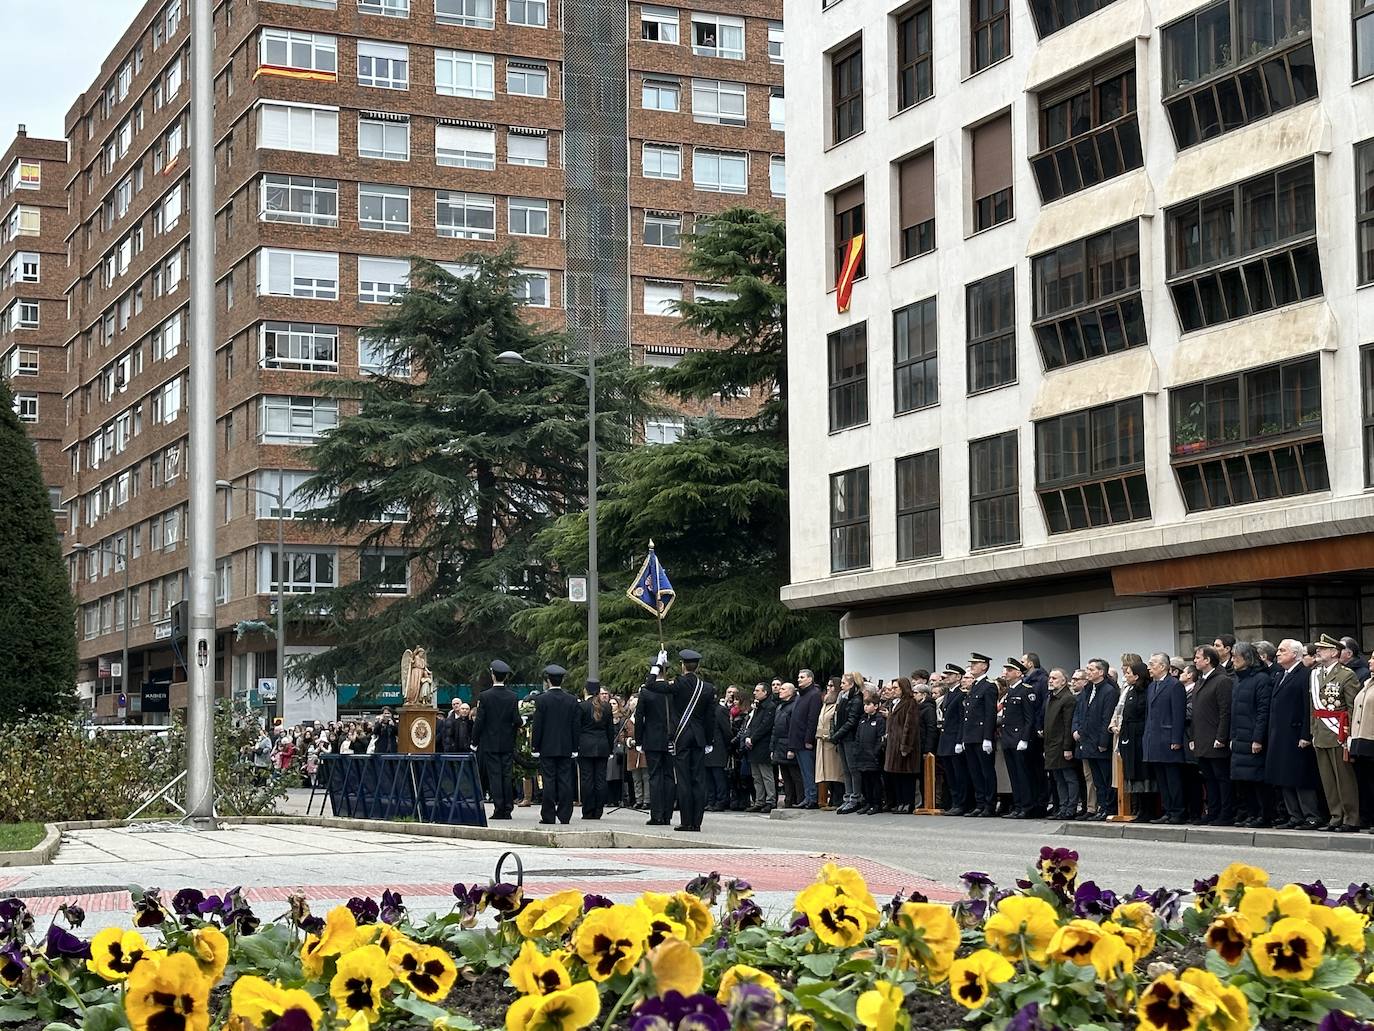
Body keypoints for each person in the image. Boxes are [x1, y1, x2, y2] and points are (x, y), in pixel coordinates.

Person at [643, 648, 716, 832]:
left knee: (683, 780)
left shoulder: (677, 684)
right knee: (698, 780)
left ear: (683, 666)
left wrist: (658, 664)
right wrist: (709, 741)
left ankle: (686, 821)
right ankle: (696, 822)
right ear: (697, 667)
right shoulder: (707, 688)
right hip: (699, 738)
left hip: (682, 736)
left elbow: (650, 685)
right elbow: (710, 718)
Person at [1265, 639, 1324, 830]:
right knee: (1284, 776)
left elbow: (1309, 706)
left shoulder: (1305, 674)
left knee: (1301, 777)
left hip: (1296, 734)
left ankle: (1311, 815)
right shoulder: (1282, 674)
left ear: (1294, 654)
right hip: (1280, 734)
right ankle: (1294, 815)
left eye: (1282, 650)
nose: (1278, 653)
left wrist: (1306, 734)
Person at [1311, 633, 1361, 832]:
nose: (1318, 652)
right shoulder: (1315, 674)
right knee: (1328, 779)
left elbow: (1352, 707)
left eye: (1322, 649)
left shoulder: (1346, 675)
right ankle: (1335, 816)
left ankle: (1351, 818)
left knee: (1344, 779)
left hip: (1339, 733)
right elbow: (1313, 708)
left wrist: (1349, 736)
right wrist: (1312, 732)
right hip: (1321, 732)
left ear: (1334, 652)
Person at [1228, 642, 1273, 827]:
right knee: (1243, 781)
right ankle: (1251, 813)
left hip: (1253, 738)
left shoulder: (1261, 679)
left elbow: (1263, 712)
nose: (1232, 661)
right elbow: (1234, 712)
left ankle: (1263, 815)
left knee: (1257, 781)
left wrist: (1257, 738)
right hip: (1239, 737)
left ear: (1247, 659)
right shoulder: (1238, 680)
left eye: (1235, 657)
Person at [1189, 645, 1234, 826]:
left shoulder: (1222, 680)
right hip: (1201, 739)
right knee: (1209, 779)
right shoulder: (1200, 681)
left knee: (1222, 778)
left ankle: (1226, 813)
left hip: (1215, 739)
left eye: (1198, 657)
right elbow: (1195, 714)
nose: (1195, 661)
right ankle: (1212, 811)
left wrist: (1221, 737)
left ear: (1208, 660)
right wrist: (1193, 737)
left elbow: (1225, 712)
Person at [472, 659, 522, 820]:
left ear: (492, 675)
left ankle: (499, 808)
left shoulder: (485, 696)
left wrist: (474, 741)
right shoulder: (512, 696)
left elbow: (480, 721)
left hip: (490, 742)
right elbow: (516, 719)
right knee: (506, 775)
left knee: (495, 776)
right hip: (507, 742)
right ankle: (508, 807)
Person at [531, 665, 580, 825]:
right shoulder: (571, 700)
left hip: (547, 746)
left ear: (548, 680)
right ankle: (565, 815)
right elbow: (575, 725)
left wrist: (535, 746)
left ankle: (548, 815)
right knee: (565, 780)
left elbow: (538, 725)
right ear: (562, 680)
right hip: (566, 746)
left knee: (549, 781)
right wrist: (575, 747)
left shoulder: (542, 700)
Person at [1142, 652, 1187, 824]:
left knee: (1173, 778)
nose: (1149, 667)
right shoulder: (1152, 686)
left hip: (1168, 739)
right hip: (1154, 739)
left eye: (1152, 664)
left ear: (1163, 666)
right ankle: (1168, 810)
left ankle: (1178, 811)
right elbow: (1149, 715)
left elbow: (1178, 715)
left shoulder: (1174, 685)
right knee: (1161, 779)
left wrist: (1176, 739)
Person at [1073, 658, 1119, 821]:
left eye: (1092, 669)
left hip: (1099, 742)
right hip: (1087, 740)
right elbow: (1082, 713)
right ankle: (1102, 807)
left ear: (1101, 672)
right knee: (1096, 779)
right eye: (1088, 669)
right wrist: (1078, 731)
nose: (1088, 672)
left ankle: (1109, 808)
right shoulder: (1088, 689)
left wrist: (1103, 742)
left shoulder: (1108, 691)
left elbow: (1106, 717)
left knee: (1106, 778)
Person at [999, 658, 1039, 819]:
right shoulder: (1010, 691)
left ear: (1018, 673)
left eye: (1009, 670)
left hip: (1019, 739)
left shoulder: (1025, 690)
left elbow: (1029, 718)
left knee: (1023, 775)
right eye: (1005, 670)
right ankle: (1018, 805)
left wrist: (1024, 739)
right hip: (1008, 738)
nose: (1006, 673)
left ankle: (1027, 806)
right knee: (1014, 775)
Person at [961, 653, 999, 817]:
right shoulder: (975, 686)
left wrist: (987, 738)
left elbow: (989, 714)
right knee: (975, 772)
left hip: (981, 736)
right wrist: (964, 737)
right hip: (970, 736)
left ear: (984, 666)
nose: (972, 666)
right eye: (971, 663)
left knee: (986, 772)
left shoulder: (989, 686)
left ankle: (989, 805)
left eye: (975, 663)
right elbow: (968, 715)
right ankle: (980, 803)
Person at [636, 672, 674, 826]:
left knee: (655, 777)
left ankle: (657, 814)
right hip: (671, 737)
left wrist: (639, 740)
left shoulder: (646, 691)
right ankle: (667, 815)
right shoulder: (672, 690)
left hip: (652, 739)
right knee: (669, 777)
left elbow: (639, 717)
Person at [1117, 661, 1151, 817]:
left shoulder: (1146, 691)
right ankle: (1137, 807)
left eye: (1129, 673)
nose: (1126, 676)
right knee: (1132, 772)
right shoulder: (1130, 691)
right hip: (1128, 736)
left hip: (1140, 735)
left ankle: (1146, 809)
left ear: (1137, 676)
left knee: (1143, 772)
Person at [1043, 668, 1078, 820]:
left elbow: (1067, 724)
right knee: (1058, 778)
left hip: (1061, 745)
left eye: (1055, 678)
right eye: (1050, 678)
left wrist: (1067, 747)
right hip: (1051, 745)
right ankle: (1062, 807)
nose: (1051, 680)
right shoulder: (1052, 697)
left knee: (1069, 777)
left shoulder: (1067, 698)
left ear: (1064, 681)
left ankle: (1070, 808)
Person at [577, 679, 615, 820]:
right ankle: (598, 810)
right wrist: (610, 748)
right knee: (600, 779)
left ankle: (588, 810)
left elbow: (577, 728)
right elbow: (610, 730)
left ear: (586, 690)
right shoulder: (606, 707)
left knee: (587, 779)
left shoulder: (582, 707)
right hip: (603, 745)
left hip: (586, 745)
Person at [883, 676, 921, 813]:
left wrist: (906, 746)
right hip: (893, 745)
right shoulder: (895, 703)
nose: (893, 690)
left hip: (904, 745)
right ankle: (900, 802)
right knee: (896, 775)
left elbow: (910, 726)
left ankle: (908, 803)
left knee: (906, 777)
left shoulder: (910, 703)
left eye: (896, 688)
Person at [936, 664, 970, 815]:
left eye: (951, 674)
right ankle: (954, 802)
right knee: (950, 774)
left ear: (958, 677)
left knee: (959, 774)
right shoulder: (949, 694)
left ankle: (961, 803)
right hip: (946, 739)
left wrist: (959, 741)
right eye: (946, 674)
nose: (947, 677)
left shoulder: (961, 695)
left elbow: (962, 720)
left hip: (955, 739)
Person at [738, 683, 776, 812]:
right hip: (753, 745)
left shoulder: (770, 707)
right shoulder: (757, 707)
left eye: (757, 691)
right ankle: (759, 800)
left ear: (765, 692)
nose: (755, 693)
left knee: (766, 775)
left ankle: (770, 800)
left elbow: (765, 726)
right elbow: (751, 723)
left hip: (763, 744)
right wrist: (748, 737)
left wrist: (752, 738)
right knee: (756, 776)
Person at [831, 672, 865, 814]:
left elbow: (851, 721)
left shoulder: (856, 699)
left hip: (850, 738)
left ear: (851, 684)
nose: (842, 685)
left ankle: (856, 797)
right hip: (842, 738)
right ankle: (848, 796)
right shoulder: (843, 698)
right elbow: (836, 717)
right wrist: (835, 733)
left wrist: (837, 735)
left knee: (853, 769)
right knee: (845, 770)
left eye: (844, 683)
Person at [791, 669, 822, 809]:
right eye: (798, 677)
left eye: (802, 677)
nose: (799, 679)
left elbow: (812, 719)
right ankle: (807, 796)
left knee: (809, 771)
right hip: (797, 739)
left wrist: (809, 739)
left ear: (810, 679)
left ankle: (812, 797)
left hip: (805, 740)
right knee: (804, 771)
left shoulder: (814, 695)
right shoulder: (800, 696)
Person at [1349, 670, 1374, 834]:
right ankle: (1367, 817)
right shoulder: (1367, 683)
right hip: (1361, 737)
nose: (1370, 661)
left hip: (1371, 736)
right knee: (1365, 780)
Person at [854, 689, 886, 815]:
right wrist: (857, 751)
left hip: (873, 756)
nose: (866, 707)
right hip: (862, 756)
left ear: (876, 706)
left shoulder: (879, 720)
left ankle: (876, 804)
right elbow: (857, 737)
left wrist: (875, 752)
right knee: (865, 781)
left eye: (868, 705)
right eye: (865, 705)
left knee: (874, 781)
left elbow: (880, 738)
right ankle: (868, 802)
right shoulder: (862, 720)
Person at [814, 679, 843, 810]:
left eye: (832, 686)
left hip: (832, 742)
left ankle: (838, 799)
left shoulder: (838, 703)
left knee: (836, 773)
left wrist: (828, 735)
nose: (829, 688)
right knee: (825, 773)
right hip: (822, 742)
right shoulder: (825, 703)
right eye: (828, 686)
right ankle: (831, 800)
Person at [771, 681, 801, 808]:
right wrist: (772, 748)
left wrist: (791, 748)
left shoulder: (794, 706)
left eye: (783, 689)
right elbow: (775, 729)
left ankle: (799, 799)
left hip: (788, 744)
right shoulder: (780, 707)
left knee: (795, 775)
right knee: (785, 776)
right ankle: (788, 800)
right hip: (779, 745)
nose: (780, 691)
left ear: (790, 691)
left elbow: (794, 729)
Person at [705, 691, 732, 811]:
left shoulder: (720, 710)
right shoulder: (705, 710)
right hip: (707, 747)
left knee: (718, 776)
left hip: (718, 747)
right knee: (709, 776)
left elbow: (726, 730)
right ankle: (711, 800)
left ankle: (721, 800)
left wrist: (728, 745)